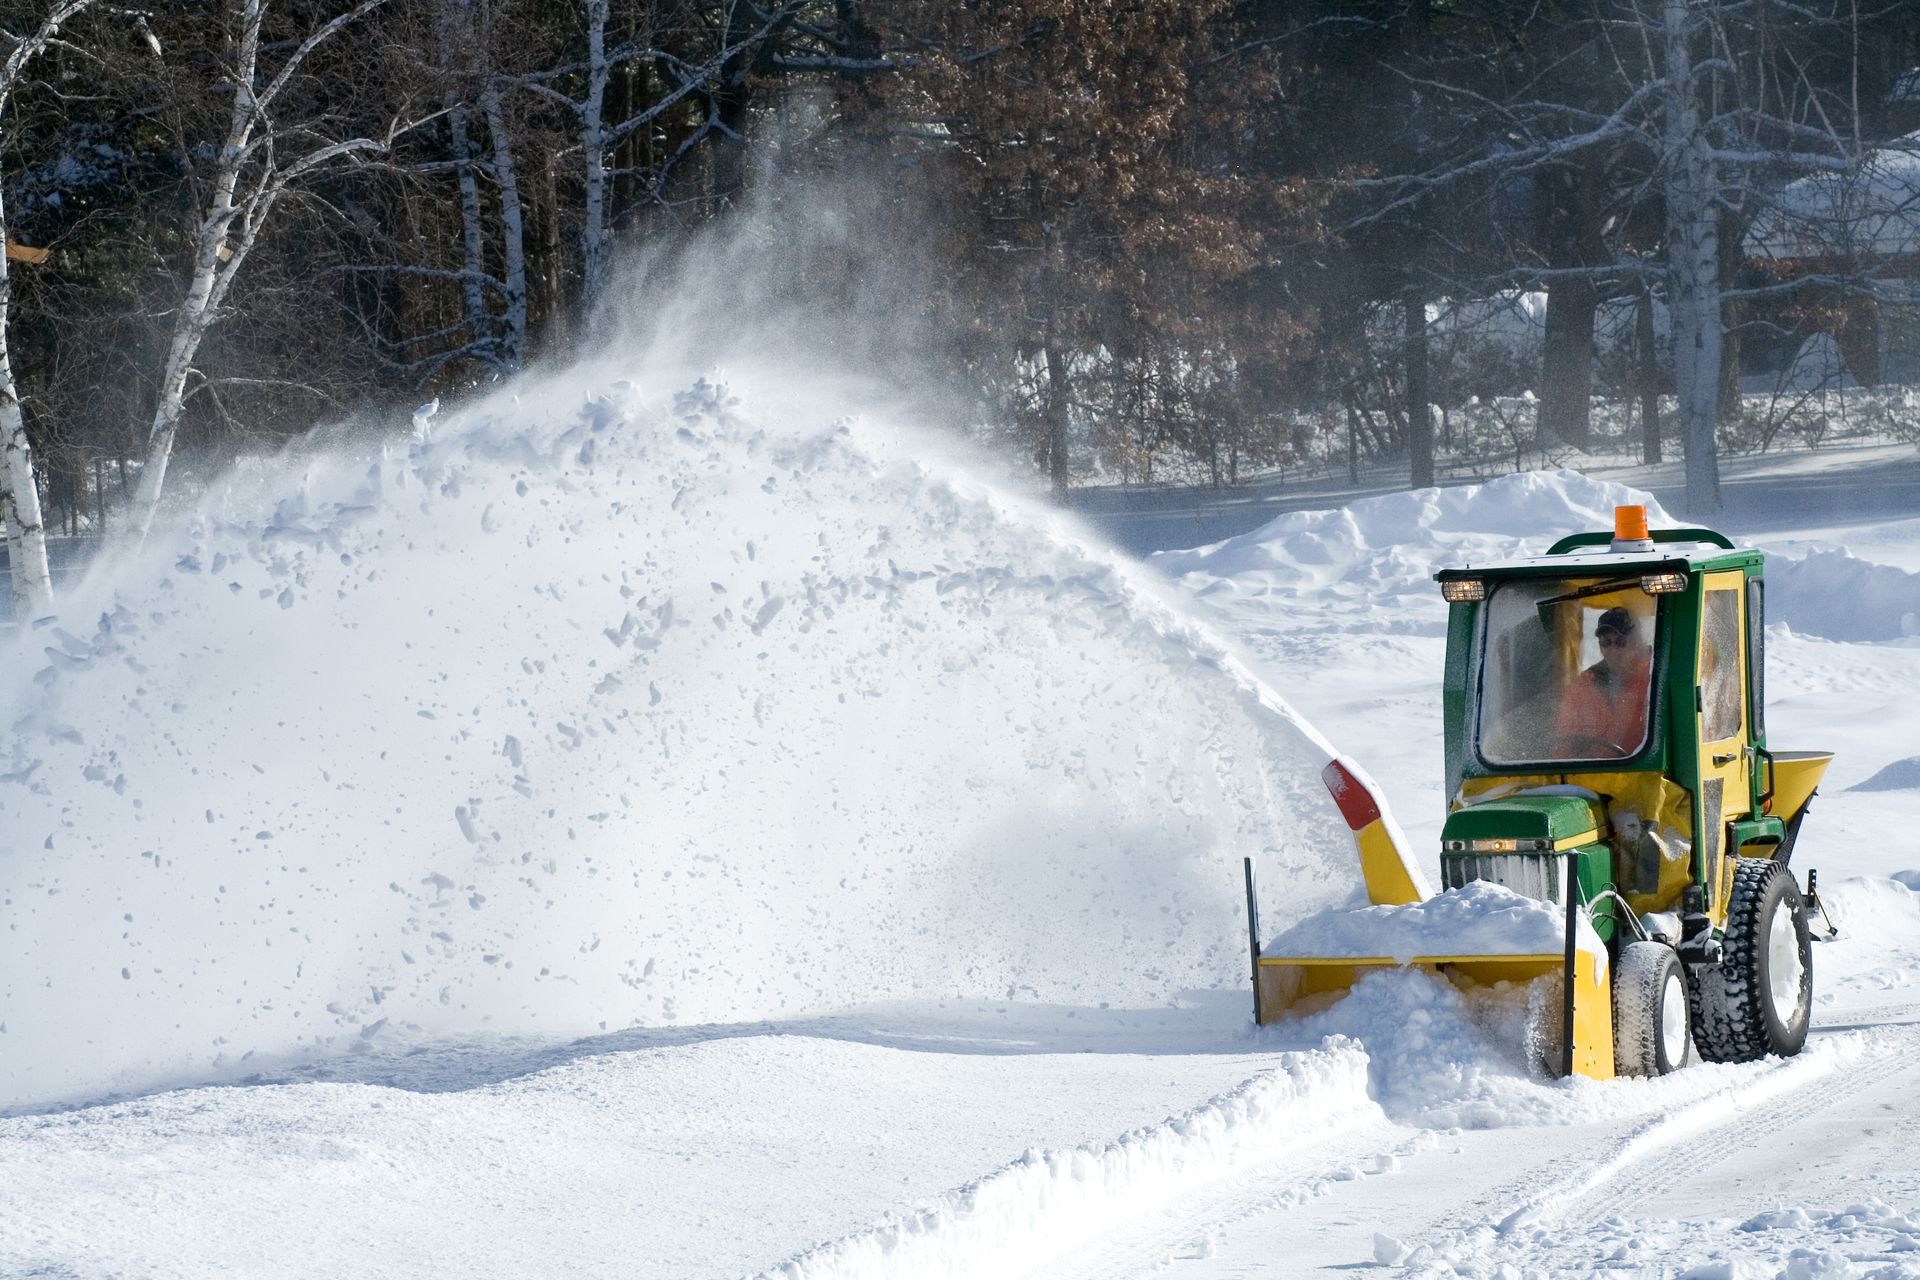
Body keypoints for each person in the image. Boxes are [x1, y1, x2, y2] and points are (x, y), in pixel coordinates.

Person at [1554, 606, 1652, 758]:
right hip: (1594, 770)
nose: (1612, 650)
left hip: (1640, 768)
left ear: (1636, 643)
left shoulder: (1652, 679)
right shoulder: (1582, 686)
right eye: (1606, 642)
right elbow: (1563, 741)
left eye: (1620, 642)